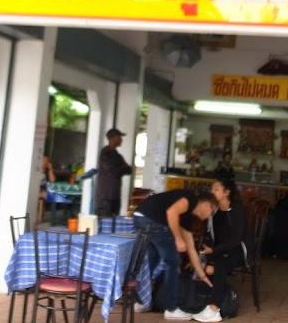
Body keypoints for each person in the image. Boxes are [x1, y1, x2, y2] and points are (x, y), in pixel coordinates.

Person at [133, 189, 217, 320]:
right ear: (207, 204)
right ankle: (171, 308)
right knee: (173, 262)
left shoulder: (187, 218)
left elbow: (191, 249)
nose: (209, 216)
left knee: (152, 261)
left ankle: (141, 302)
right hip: (152, 220)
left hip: (140, 217)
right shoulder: (191, 198)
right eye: (212, 212)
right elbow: (171, 212)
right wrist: (178, 239)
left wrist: (202, 275)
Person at [194, 178, 249, 323]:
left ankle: (214, 309)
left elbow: (236, 240)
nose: (212, 192)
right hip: (220, 250)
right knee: (204, 265)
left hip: (239, 250)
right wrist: (209, 252)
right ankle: (200, 303)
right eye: (212, 189)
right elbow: (211, 237)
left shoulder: (237, 209)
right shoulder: (215, 211)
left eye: (216, 189)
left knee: (220, 265)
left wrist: (214, 252)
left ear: (227, 192)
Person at [96, 128, 133, 217]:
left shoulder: (117, 155)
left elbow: (129, 170)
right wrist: (122, 168)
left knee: (114, 222)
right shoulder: (105, 153)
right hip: (105, 196)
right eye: (119, 137)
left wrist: (119, 169)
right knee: (105, 223)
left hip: (115, 196)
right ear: (112, 138)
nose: (121, 139)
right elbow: (111, 171)